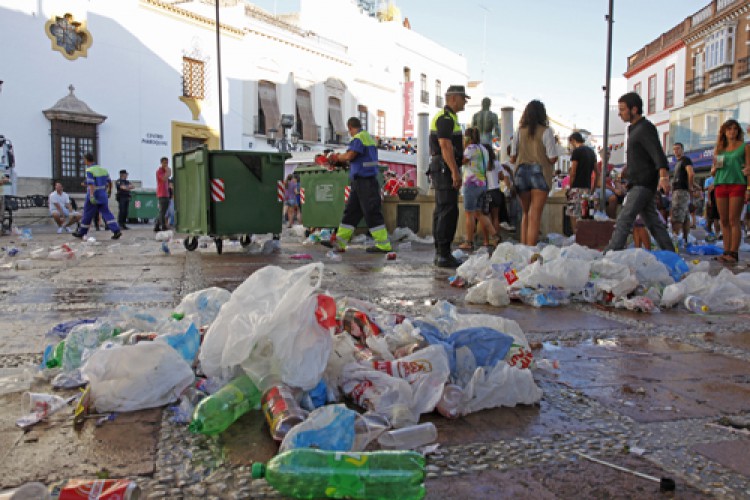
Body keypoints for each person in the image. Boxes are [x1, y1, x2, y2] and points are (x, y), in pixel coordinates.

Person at [603, 92, 673, 253]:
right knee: (653, 223)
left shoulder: (645, 128)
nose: (619, 113)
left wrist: (663, 177)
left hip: (643, 183)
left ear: (634, 109)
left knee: (624, 219)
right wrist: (628, 168)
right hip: (638, 181)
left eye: (622, 109)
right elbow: (641, 154)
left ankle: (611, 253)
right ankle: (670, 253)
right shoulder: (632, 129)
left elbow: (657, 153)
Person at [322, 117, 392, 253]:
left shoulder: (358, 138)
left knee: (371, 212)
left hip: (365, 181)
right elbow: (359, 159)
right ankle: (340, 242)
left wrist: (336, 157)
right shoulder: (368, 137)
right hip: (362, 181)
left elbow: (350, 156)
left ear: (350, 128)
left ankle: (383, 244)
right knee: (351, 212)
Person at [429, 85, 469, 268]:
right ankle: (443, 254)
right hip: (444, 168)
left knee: (442, 210)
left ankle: (441, 252)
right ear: (453, 98)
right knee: (448, 211)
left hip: (441, 168)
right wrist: (454, 171)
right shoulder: (445, 118)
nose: (465, 102)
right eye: (463, 98)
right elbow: (445, 146)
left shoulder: (449, 117)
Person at [510, 99, 558, 246]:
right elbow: (552, 158)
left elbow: (512, 157)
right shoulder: (546, 131)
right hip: (539, 172)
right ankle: (531, 251)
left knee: (525, 213)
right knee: (535, 215)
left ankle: (524, 247)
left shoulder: (519, 131)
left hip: (520, 172)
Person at [711, 119, 750, 264]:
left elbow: (748, 170)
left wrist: (749, 189)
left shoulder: (744, 147)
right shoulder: (719, 148)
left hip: (737, 184)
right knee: (724, 220)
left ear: (738, 131)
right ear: (724, 132)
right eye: (729, 129)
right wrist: (714, 168)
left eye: (734, 129)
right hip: (721, 184)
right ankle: (726, 251)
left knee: (734, 220)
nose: (731, 132)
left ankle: (734, 253)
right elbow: (713, 171)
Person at [458, 127, 500, 250]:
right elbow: (486, 166)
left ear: (468, 138)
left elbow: (462, 161)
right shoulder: (484, 149)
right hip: (483, 184)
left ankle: (469, 242)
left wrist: (463, 146)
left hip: (471, 184)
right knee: (479, 213)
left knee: (469, 214)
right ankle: (495, 235)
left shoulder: (470, 149)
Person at [73, 153, 121, 239]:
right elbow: (109, 182)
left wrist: (91, 196)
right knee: (106, 212)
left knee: (87, 213)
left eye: (84, 160)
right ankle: (116, 230)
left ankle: (82, 232)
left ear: (87, 160)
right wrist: (109, 191)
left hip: (94, 194)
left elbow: (91, 184)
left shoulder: (89, 170)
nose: (84, 161)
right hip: (103, 194)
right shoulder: (103, 170)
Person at [566, 132, 596, 233]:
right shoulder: (592, 152)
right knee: (585, 215)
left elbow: (573, 172)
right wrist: (593, 188)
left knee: (573, 214)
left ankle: (576, 237)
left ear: (573, 141)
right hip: (587, 188)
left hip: (576, 187)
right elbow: (598, 173)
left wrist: (570, 188)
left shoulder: (577, 152)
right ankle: (584, 238)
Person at [670, 142, 694, 245]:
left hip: (680, 191)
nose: (676, 151)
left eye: (678, 148)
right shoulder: (678, 162)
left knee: (677, 215)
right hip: (680, 190)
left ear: (682, 149)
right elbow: (687, 176)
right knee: (684, 215)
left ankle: (675, 238)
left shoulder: (685, 160)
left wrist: (690, 186)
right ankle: (685, 239)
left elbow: (691, 173)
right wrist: (695, 186)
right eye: (674, 149)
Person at [154, 157, 171, 232]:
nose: (166, 164)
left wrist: (168, 172)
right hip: (161, 193)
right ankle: (163, 226)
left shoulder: (165, 171)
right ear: (161, 163)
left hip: (166, 193)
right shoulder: (159, 171)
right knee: (162, 211)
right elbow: (164, 179)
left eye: (167, 163)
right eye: (164, 163)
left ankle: (157, 225)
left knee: (163, 211)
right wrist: (168, 172)